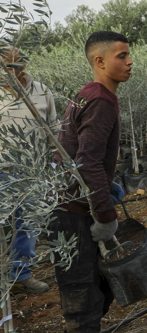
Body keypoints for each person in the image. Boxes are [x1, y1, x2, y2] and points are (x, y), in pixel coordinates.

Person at [51, 31, 132, 332]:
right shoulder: (100, 101)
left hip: (72, 203)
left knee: (97, 289)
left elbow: (73, 151)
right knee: (83, 298)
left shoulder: (89, 92)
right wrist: (106, 216)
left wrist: (105, 189)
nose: (129, 61)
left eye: (128, 54)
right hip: (71, 213)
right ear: (100, 60)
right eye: (121, 56)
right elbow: (87, 162)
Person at [0, 47, 57, 294]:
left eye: (15, 65)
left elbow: (54, 129)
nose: (10, 71)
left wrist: (55, 165)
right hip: (2, 169)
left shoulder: (41, 91)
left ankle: (21, 274)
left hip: (33, 171)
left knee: (29, 224)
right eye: (5, 66)